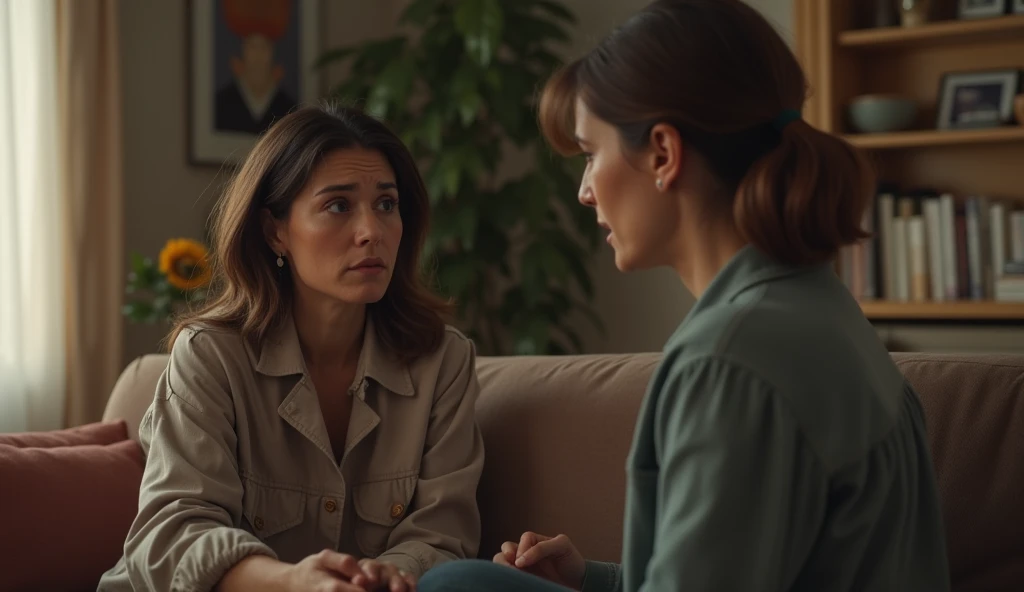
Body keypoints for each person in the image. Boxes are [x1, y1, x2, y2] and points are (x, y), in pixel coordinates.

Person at [418, 0, 951, 591]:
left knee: (455, 587)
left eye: (591, 155)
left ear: (664, 154)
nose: (585, 192)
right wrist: (595, 580)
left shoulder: (731, 360)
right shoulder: (822, 308)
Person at [99, 103, 485, 592]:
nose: (372, 231)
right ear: (274, 231)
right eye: (338, 206)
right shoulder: (209, 355)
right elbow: (173, 534)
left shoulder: (442, 361)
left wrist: (378, 579)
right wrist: (291, 582)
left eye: (386, 204)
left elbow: (444, 535)